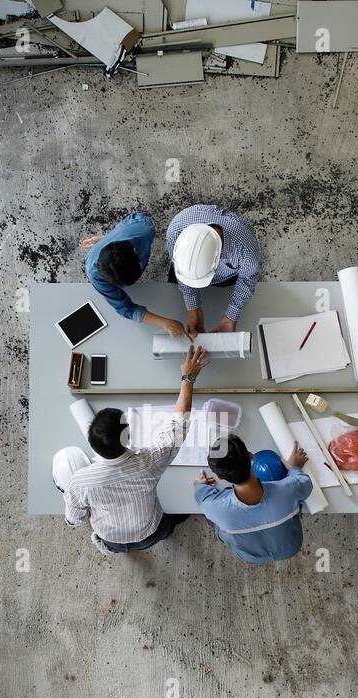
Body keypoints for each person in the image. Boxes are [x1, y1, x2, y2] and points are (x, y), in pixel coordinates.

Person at [62, 345, 210, 555]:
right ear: (127, 438)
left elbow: (74, 520)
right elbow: (179, 424)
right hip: (150, 531)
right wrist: (188, 377)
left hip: (110, 539)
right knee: (169, 524)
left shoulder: (79, 482)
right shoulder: (148, 462)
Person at [193, 435, 312, 565]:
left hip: (252, 556)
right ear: (250, 456)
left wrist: (200, 484)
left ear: (220, 476)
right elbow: (304, 482)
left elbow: (202, 496)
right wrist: (294, 468)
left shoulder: (213, 508)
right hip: (290, 547)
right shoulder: (289, 489)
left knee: (217, 525)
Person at [80, 212, 188, 339]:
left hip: (129, 232)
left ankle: (104, 241)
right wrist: (166, 323)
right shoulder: (95, 276)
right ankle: (103, 242)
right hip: (102, 253)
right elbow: (125, 309)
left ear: (136, 254)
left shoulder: (144, 227)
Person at [166, 204, 261, 336]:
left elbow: (246, 281)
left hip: (227, 276)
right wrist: (193, 308)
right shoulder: (174, 231)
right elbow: (182, 270)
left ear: (218, 258)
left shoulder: (246, 252)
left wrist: (230, 318)